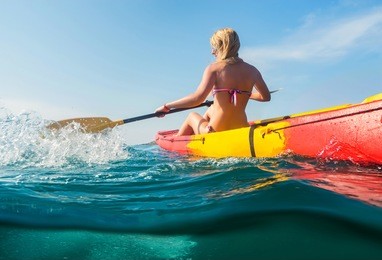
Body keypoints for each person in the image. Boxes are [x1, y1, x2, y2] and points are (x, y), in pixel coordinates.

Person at [155, 28, 271, 136]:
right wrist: (245, 94)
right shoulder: (252, 70)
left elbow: (197, 99)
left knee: (192, 116)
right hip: (241, 129)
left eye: (214, 48)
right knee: (211, 109)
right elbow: (265, 97)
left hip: (216, 131)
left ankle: (179, 146)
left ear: (222, 48)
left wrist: (167, 106)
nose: (212, 52)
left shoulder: (214, 69)